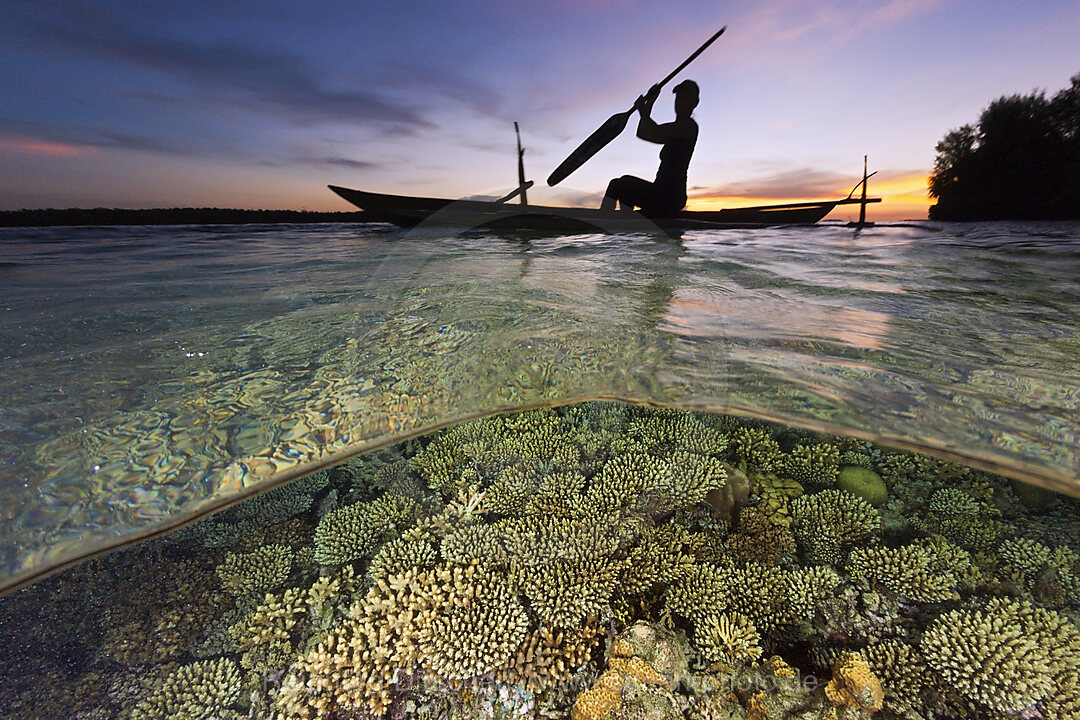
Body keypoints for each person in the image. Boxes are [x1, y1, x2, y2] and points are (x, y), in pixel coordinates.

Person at [601, 79, 699, 215]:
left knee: (617, 185)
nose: (679, 101)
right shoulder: (674, 129)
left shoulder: (688, 126)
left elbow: (655, 132)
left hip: (669, 196)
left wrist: (643, 110)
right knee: (625, 181)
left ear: (694, 103)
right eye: (677, 97)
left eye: (684, 97)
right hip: (660, 192)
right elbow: (643, 133)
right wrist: (649, 104)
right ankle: (626, 226)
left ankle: (603, 222)